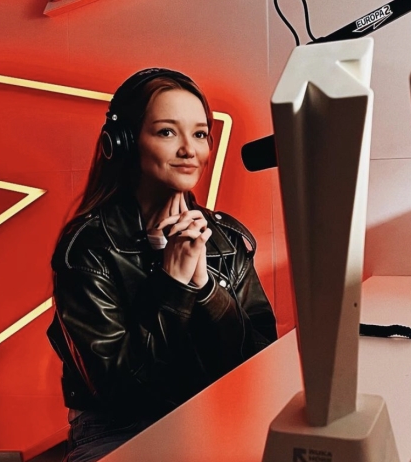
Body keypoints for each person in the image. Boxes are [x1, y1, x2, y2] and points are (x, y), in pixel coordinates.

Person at [47, 68, 277, 462]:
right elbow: (121, 390)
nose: (189, 149)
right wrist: (172, 283)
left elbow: (260, 364)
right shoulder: (88, 248)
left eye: (200, 134)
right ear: (122, 144)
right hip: (118, 430)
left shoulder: (225, 239)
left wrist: (206, 289)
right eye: (167, 132)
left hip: (214, 418)